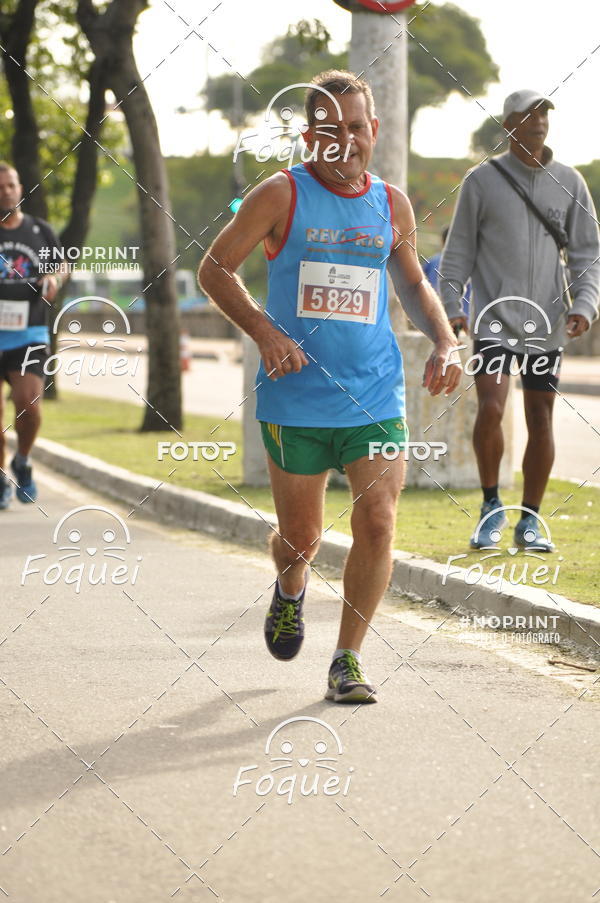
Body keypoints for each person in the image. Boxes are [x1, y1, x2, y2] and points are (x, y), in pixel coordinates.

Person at [199, 70, 461, 703]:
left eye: (356, 127)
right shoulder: (280, 195)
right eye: (330, 129)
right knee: (302, 539)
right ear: (310, 135)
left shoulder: (391, 204)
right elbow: (214, 268)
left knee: (376, 520)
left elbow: (410, 282)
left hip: (372, 389)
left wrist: (447, 339)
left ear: (372, 130)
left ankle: (347, 660)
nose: (345, 140)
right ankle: (291, 587)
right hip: (296, 395)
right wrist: (264, 333)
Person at [439, 90, 600, 551]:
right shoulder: (481, 181)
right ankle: (491, 508)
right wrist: (453, 309)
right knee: (490, 407)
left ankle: (530, 521)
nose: (539, 123)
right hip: (492, 321)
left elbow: (589, 256)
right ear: (509, 124)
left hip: (547, 325)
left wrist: (584, 306)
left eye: (545, 115)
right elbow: (457, 257)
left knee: (541, 419)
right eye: (529, 116)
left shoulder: (571, 181)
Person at [0, 163, 64, 509]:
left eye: (11, 185)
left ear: (20, 186)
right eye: (0, 187)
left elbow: (59, 265)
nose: (7, 192)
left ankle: (22, 461)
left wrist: (54, 280)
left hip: (29, 332)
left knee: (29, 404)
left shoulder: (39, 230)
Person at [423, 226, 470, 323]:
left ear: (442, 241)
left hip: (437, 318)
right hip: (466, 318)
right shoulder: (469, 262)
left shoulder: (431, 262)